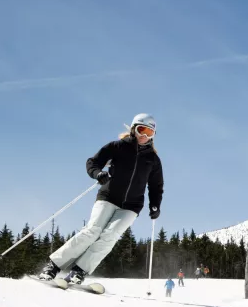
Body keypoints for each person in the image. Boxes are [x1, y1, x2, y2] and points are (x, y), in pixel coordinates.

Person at [38, 114, 164, 284]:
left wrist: (155, 205)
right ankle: (53, 266)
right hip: (108, 197)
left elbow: (156, 186)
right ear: (134, 129)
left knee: (110, 236)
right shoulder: (118, 146)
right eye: (142, 130)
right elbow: (93, 162)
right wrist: (98, 174)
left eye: (150, 133)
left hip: (132, 206)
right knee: (92, 231)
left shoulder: (153, 160)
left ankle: (79, 271)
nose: (145, 136)